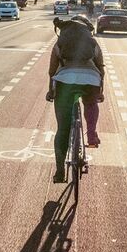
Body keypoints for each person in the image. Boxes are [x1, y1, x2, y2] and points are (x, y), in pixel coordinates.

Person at [47, 15, 104, 184]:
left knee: (62, 130)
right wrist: (100, 92)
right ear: (87, 30)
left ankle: (59, 171)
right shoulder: (93, 43)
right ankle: (91, 134)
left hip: (65, 83)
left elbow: (51, 71)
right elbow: (101, 69)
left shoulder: (60, 43)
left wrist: (51, 91)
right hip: (90, 81)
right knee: (90, 102)